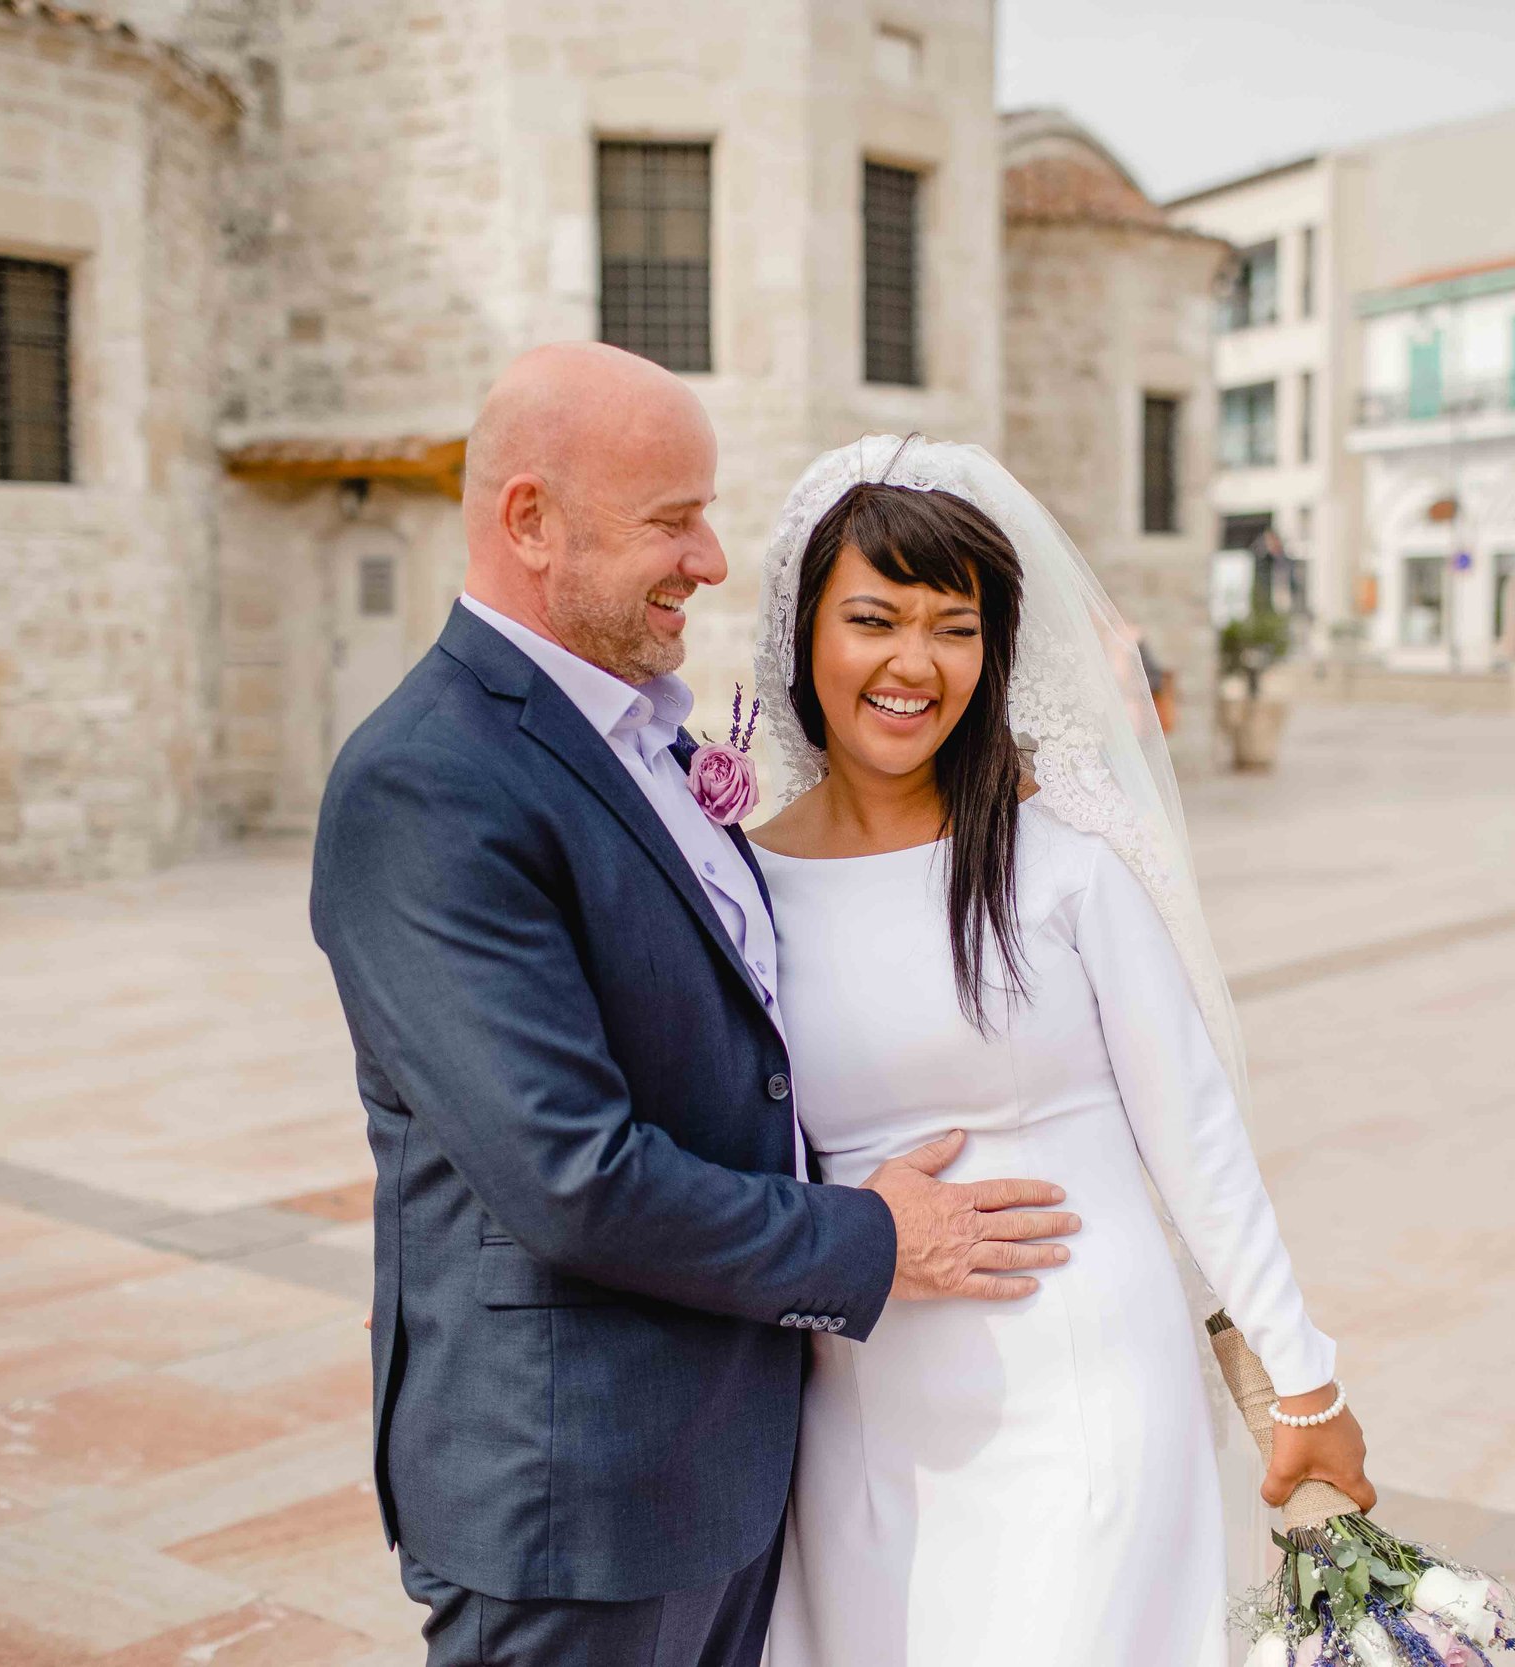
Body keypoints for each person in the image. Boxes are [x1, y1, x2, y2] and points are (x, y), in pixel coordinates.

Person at [308, 348, 1081, 1667]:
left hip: (720, 1451)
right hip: (579, 1490)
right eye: (674, 518)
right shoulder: (427, 782)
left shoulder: (646, 737)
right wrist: (875, 1236)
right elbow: (574, 1174)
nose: (714, 560)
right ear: (531, 521)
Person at [748, 437, 1376, 1666]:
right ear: (803, 627)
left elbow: (1194, 1132)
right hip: (858, 1409)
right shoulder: (740, 879)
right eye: (873, 617)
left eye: (954, 627)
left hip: (1088, 1389)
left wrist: (1302, 1378)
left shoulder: (1064, 857)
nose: (912, 664)